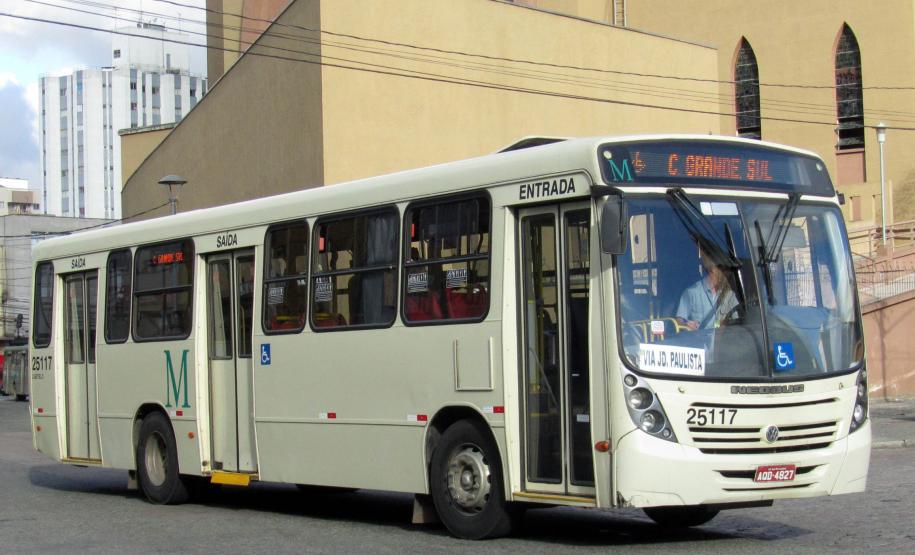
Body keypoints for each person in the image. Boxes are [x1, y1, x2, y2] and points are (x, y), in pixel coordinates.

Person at [676, 247, 738, 330]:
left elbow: (737, 321)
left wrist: (727, 324)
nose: (727, 273)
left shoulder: (729, 294)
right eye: (723, 269)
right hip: (698, 341)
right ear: (712, 269)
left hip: (723, 341)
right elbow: (679, 320)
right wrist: (687, 323)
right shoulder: (692, 292)